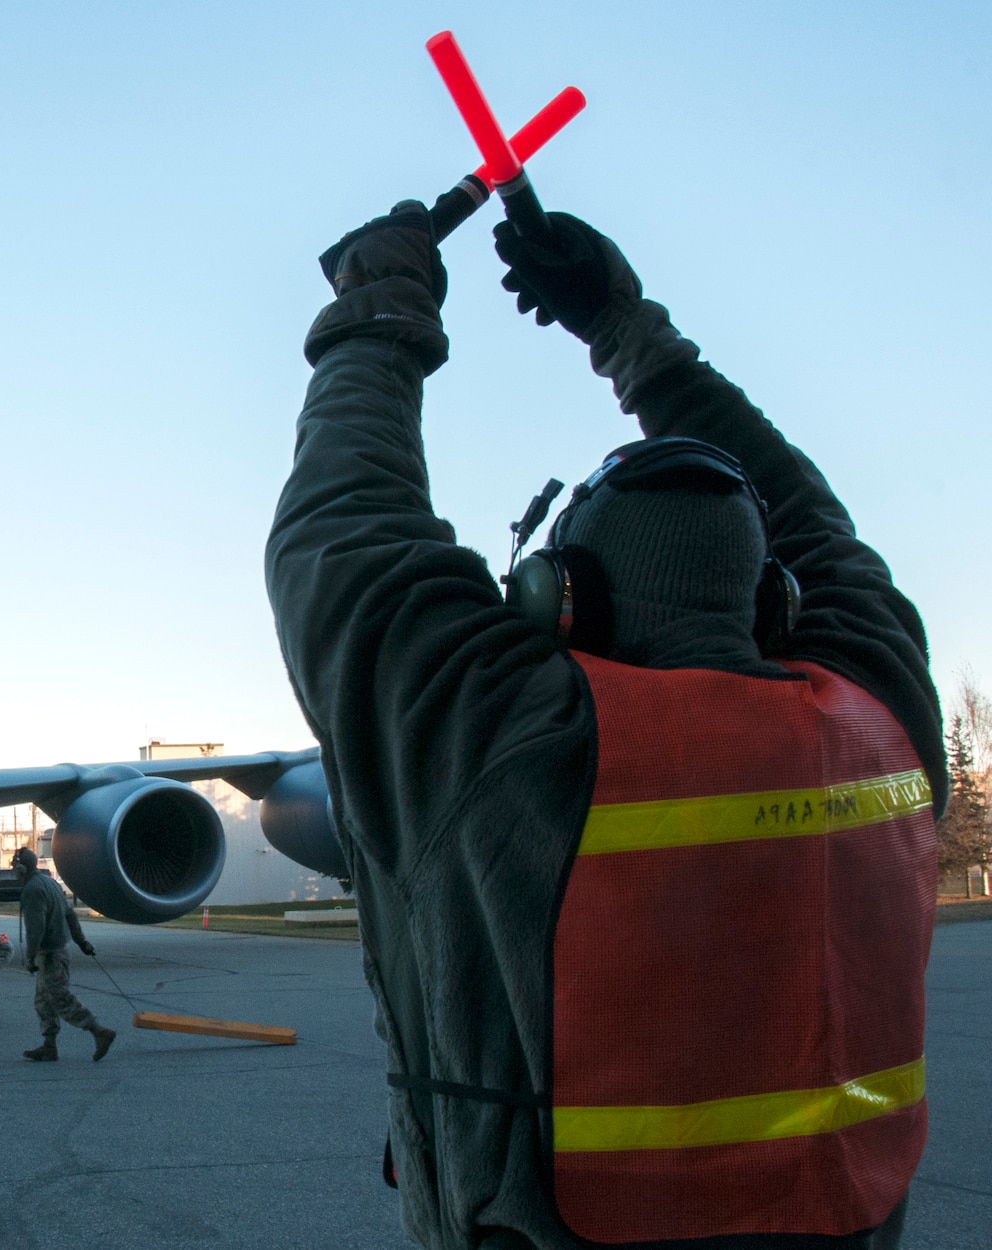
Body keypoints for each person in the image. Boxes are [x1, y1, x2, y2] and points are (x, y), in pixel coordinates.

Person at [264, 201, 943, 1249]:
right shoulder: (880, 721)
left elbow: (343, 530)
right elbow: (818, 526)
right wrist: (627, 330)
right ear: (773, 601)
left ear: (553, 596)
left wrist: (377, 302)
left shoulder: (511, 744)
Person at [13, 846, 115, 1062]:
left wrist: (30, 957)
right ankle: (49, 1047)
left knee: (60, 999)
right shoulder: (50, 883)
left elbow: (36, 929)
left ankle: (99, 1032)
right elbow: (70, 915)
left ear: (22, 868)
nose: (14, 872)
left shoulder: (32, 889)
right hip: (57, 951)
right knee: (43, 1001)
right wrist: (82, 942)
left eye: (15, 867)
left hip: (49, 954)